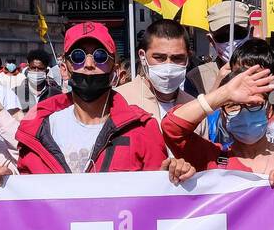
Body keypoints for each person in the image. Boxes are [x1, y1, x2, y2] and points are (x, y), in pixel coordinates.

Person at [15, 21, 192, 181]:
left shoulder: (143, 129)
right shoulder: (37, 129)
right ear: (64, 69)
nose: (89, 64)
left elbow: (157, 194)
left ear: (114, 71)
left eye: (100, 57)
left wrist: (173, 175)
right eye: (78, 57)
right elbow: (24, 195)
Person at [163, 66, 274, 192]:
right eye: (233, 105)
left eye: (253, 104)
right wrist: (224, 94)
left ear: (268, 110)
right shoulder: (211, 159)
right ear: (222, 115)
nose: (244, 112)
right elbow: (172, 127)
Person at [115, 20, 205, 143]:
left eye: (177, 58)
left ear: (188, 58)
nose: (168, 67)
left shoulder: (194, 107)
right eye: (159, 58)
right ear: (142, 56)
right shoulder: (119, 100)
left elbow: (203, 159)